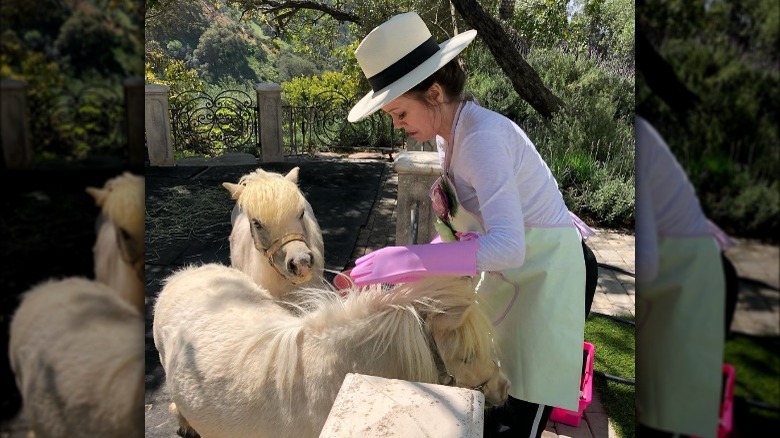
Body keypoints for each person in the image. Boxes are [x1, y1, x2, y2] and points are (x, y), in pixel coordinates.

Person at [345, 12, 598, 437]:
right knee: (491, 383)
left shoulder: (482, 139)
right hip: (516, 276)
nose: (399, 126)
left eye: (400, 112)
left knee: (523, 408)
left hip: (549, 275)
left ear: (435, 92)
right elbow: (459, 229)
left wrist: (413, 256)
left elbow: (508, 246)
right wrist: (408, 267)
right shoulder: (452, 137)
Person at [635, 115, 739, 438]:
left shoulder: (641, 140)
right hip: (675, 278)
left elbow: (648, 264)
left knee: (664, 415)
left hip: (691, 281)